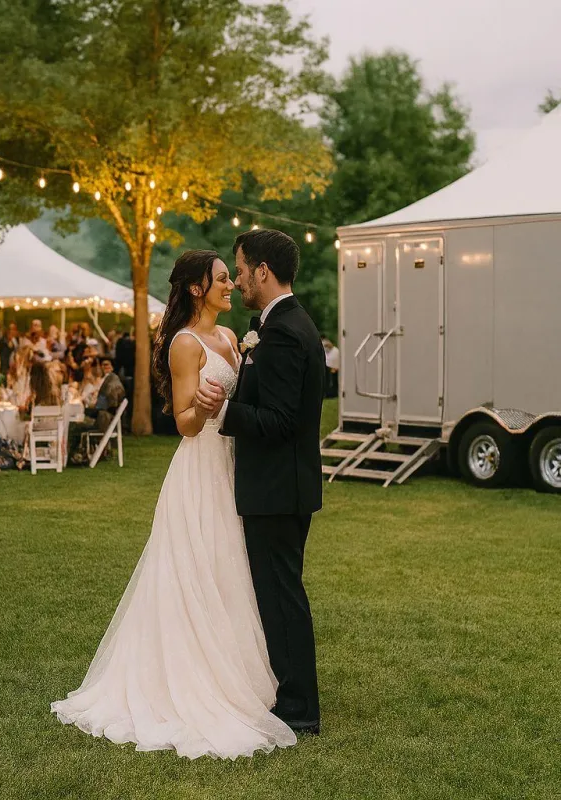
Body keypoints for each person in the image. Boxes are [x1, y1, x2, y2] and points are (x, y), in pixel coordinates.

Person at [53, 248, 297, 759]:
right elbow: (182, 422)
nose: (232, 285)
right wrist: (207, 409)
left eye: (233, 278)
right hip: (201, 464)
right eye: (223, 279)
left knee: (232, 570)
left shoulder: (233, 338)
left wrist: (230, 406)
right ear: (196, 288)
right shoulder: (185, 344)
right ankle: (190, 680)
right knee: (197, 565)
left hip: (234, 466)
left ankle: (239, 677)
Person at [201, 228, 324, 737]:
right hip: (282, 487)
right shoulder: (285, 326)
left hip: (277, 489)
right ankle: (287, 689)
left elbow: (278, 421)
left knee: (281, 596)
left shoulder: (284, 334)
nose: (239, 280)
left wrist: (225, 411)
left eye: (242, 269)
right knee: (276, 595)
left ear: (263, 272)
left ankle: (298, 707)